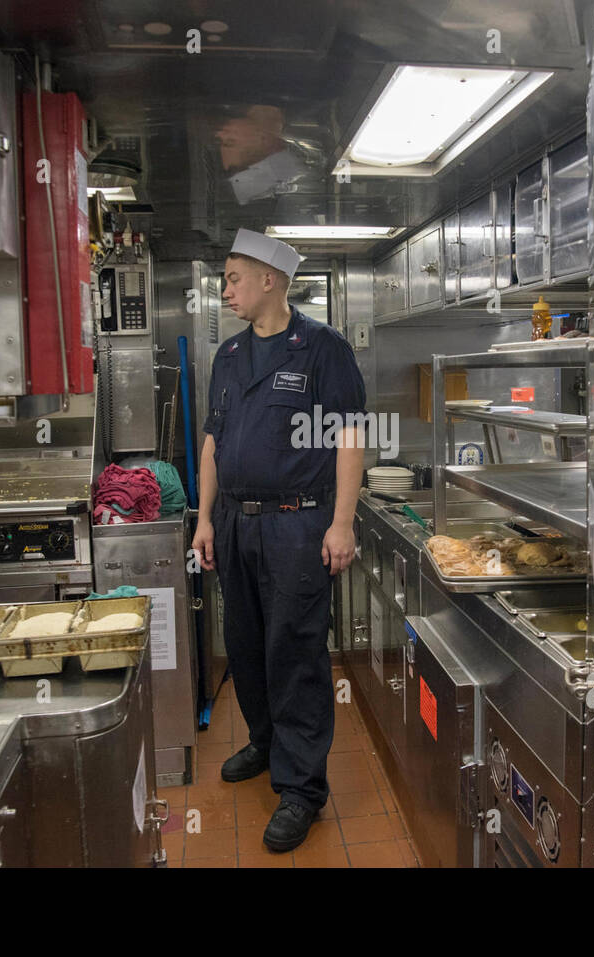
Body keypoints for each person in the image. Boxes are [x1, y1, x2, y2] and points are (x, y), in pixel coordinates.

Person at [191, 228, 366, 852]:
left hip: (298, 523)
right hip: (236, 522)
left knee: (293, 652)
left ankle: (301, 789)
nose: (225, 291)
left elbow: (349, 437)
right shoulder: (229, 357)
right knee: (244, 646)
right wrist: (205, 518)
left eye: (234, 279)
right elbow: (212, 443)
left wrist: (341, 523)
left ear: (271, 280)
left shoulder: (322, 349)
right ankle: (265, 741)